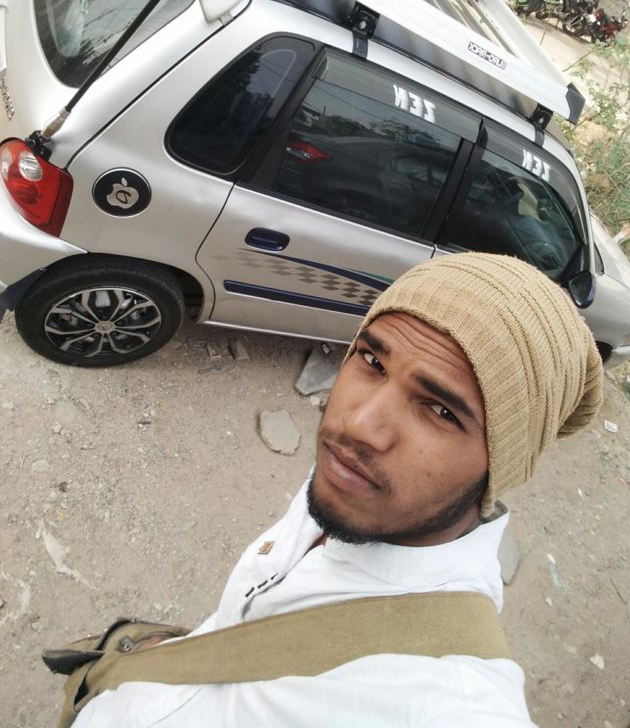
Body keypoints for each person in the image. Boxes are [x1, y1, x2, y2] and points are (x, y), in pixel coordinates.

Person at [73, 252, 603, 727]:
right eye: (372, 361)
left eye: (441, 410)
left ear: (499, 466)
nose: (359, 425)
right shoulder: (357, 487)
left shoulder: (450, 699)